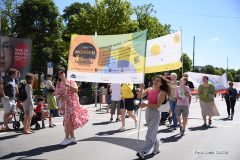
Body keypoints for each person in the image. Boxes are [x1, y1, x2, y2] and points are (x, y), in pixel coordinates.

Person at [136, 75, 171, 160]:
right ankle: (156, 148)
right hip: (148, 112)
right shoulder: (149, 89)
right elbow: (139, 97)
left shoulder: (162, 92)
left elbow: (157, 105)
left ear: (161, 83)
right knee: (152, 132)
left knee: (149, 134)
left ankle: (143, 151)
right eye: (155, 80)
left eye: (158, 81)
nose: (155, 82)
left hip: (156, 113)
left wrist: (145, 105)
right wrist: (141, 88)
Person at [56, 67, 89, 146]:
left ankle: (67, 138)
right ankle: (72, 138)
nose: (60, 75)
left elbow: (76, 90)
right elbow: (57, 96)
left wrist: (69, 86)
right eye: (59, 74)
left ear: (65, 73)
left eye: (61, 73)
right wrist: (62, 97)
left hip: (72, 104)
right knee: (69, 121)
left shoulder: (71, 81)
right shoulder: (58, 84)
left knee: (68, 121)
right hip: (65, 105)